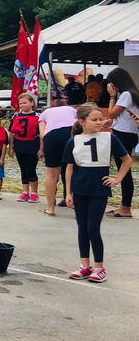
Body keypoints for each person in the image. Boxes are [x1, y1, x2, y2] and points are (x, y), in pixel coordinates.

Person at [63, 104, 132, 283]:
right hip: (80, 189)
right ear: (81, 122)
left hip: (98, 189)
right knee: (82, 227)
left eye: (101, 119)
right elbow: (69, 168)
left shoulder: (110, 138)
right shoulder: (73, 141)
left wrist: (117, 179)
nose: (99, 122)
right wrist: (68, 193)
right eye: (94, 120)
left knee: (93, 228)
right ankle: (84, 265)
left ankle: (99, 267)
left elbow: (127, 160)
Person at [105, 67, 139, 218]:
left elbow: (112, 113)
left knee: (124, 171)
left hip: (123, 135)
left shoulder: (126, 94)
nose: (111, 86)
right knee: (123, 170)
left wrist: (112, 96)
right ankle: (124, 206)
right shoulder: (133, 93)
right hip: (129, 134)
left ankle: (126, 208)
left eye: (112, 83)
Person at [38, 96, 76, 216]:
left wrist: (45, 147)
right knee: (73, 170)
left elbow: (42, 134)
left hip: (52, 136)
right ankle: (75, 204)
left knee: (51, 174)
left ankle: (50, 208)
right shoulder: (72, 109)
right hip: (71, 134)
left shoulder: (44, 113)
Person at [9, 92, 41, 203]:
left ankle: (34, 193)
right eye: (20, 103)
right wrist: (11, 147)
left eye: (25, 103)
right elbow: (11, 133)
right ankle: (25, 191)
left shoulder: (37, 117)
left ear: (32, 103)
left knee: (31, 169)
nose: (22, 105)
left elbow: (42, 134)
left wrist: (41, 149)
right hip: (19, 145)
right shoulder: (16, 116)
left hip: (32, 145)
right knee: (23, 169)